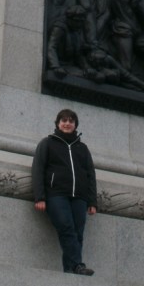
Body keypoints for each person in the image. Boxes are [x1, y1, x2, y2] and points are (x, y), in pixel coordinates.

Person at [31, 108, 98, 275]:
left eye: (71, 121)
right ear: (57, 123)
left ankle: (71, 269)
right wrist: (39, 197)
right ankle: (77, 265)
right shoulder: (47, 143)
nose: (67, 123)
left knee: (78, 233)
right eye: (64, 120)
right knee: (66, 227)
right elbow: (38, 170)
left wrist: (92, 201)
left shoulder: (82, 148)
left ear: (75, 125)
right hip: (56, 195)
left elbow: (90, 175)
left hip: (79, 196)